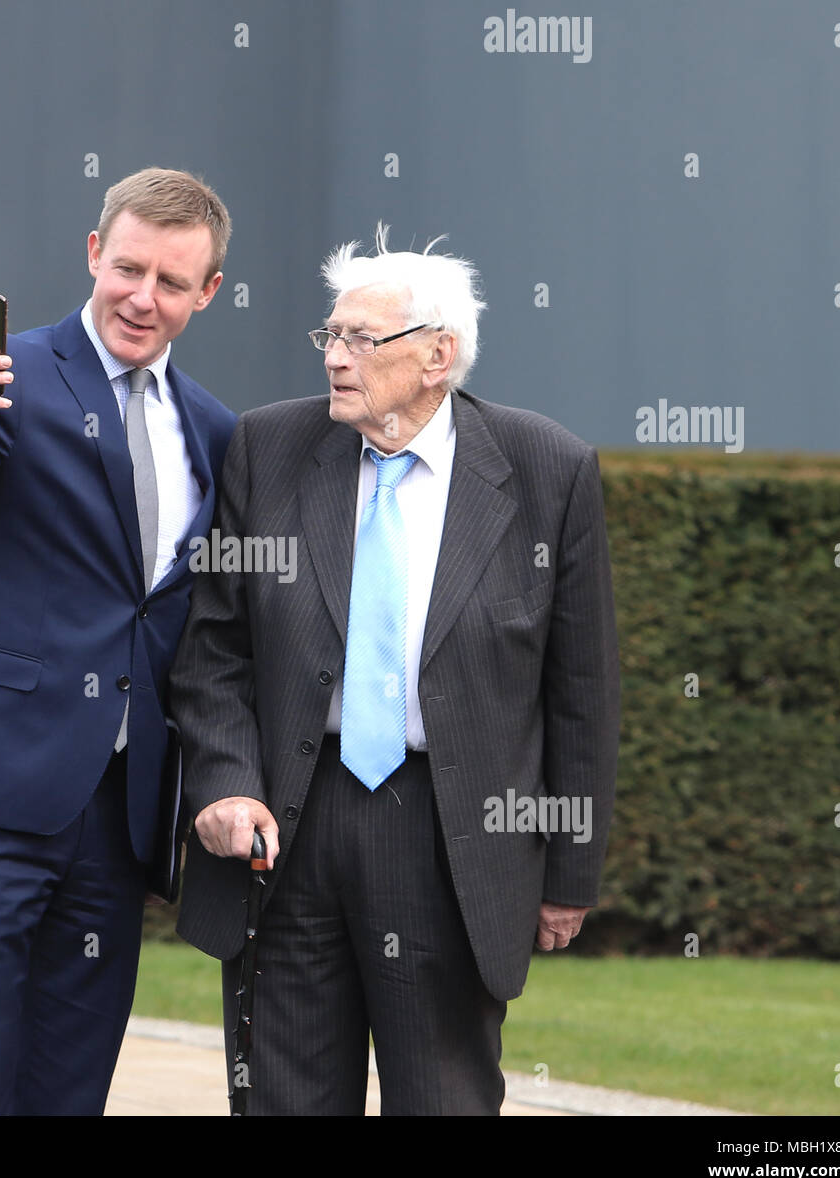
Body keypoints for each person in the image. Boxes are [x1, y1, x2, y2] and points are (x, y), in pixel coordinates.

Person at [169, 225, 621, 1115]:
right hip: (288, 827)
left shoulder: (547, 469)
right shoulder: (269, 449)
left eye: (360, 340)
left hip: (450, 835)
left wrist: (570, 871)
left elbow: (582, 689)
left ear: (437, 356)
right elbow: (215, 647)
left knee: (443, 1099)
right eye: (329, 336)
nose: (335, 358)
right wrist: (223, 785)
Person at [0, 167, 235, 1115]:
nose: (142, 298)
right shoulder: (6, 376)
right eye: (128, 269)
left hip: (116, 821)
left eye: (170, 282)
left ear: (208, 292)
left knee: (67, 1094)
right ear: (92, 256)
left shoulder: (215, 433)